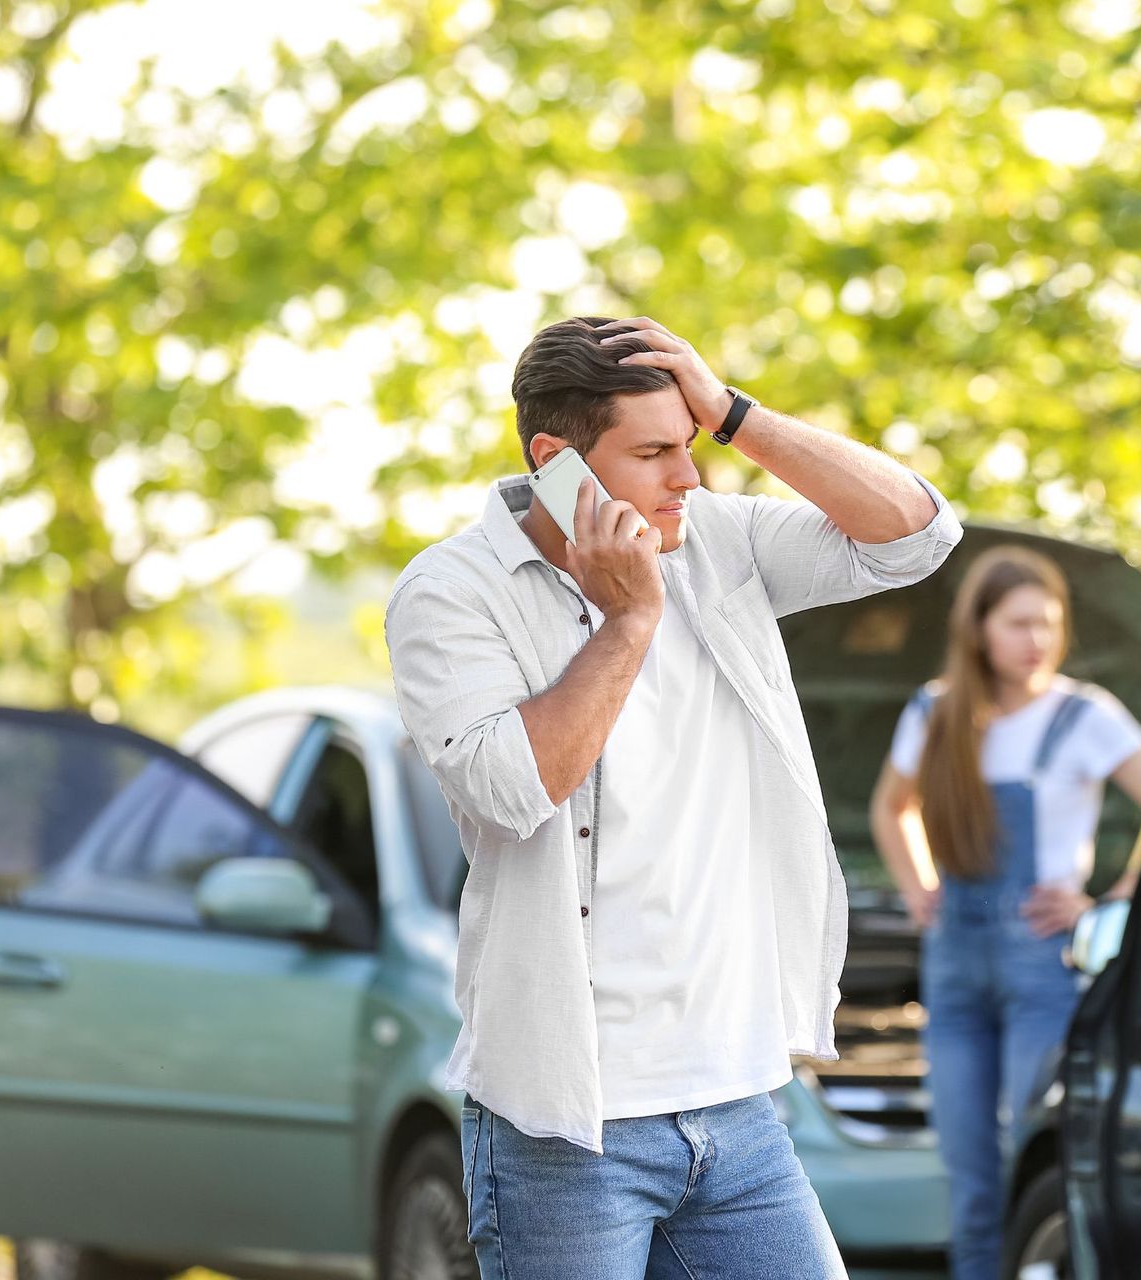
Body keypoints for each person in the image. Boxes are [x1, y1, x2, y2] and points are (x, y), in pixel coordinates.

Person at [385, 315, 962, 1279]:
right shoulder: (451, 592)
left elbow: (917, 536)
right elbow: (515, 787)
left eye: (689, 445)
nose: (686, 477)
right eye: (653, 453)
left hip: (737, 1106)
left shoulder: (718, 539)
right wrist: (631, 617)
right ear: (555, 460)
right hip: (566, 1127)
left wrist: (736, 415)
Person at [869, 545, 1141, 1280]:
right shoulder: (936, 711)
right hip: (955, 969)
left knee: (1033, 1158)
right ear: (978, 629)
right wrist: (918, 888)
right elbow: (891, 807)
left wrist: (1113, 898)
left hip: (1047, 969)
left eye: (1049, 623)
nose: (1036, 640)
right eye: (1018, 624)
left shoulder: (1084, 717)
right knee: (969, 1172)